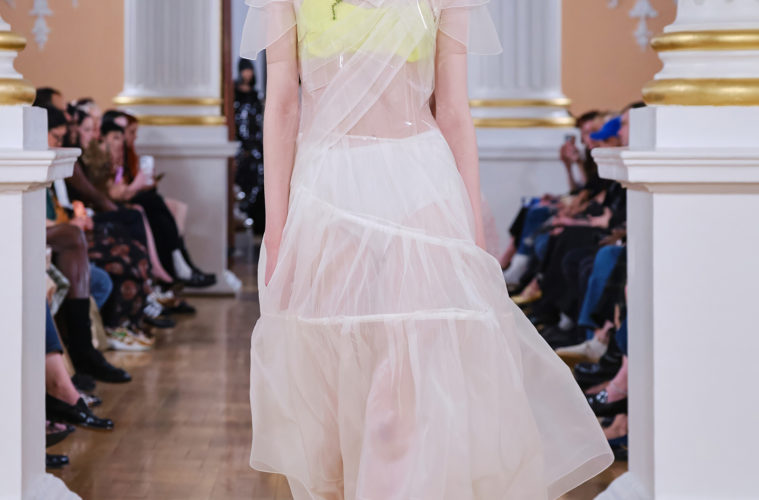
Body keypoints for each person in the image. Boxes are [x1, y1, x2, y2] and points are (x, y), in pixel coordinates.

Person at [241, 1, 613, 499]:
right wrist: (276, 227)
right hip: (327, 188)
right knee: (331, 385)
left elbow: (454, 110)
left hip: (421, 185)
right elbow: (283, 105)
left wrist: (473, 226)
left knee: (408, 385)